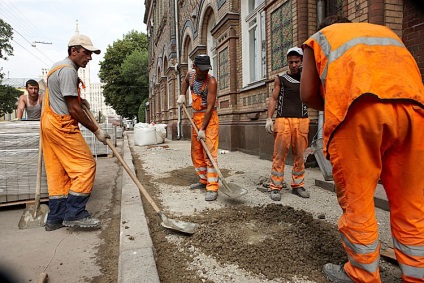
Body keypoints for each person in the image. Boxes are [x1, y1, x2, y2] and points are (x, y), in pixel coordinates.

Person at [301, 15, 424, 283]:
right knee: (411, 202)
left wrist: (334, 103)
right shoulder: (385, 33)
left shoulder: (321, 39)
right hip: (414, 114)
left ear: (326, 27)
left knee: (358, 201)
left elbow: (307, 93)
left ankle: (361, 275)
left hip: (358, 113)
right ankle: (418, 274)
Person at [41, 34, 110, 231]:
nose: (90, 57)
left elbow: (63, 99)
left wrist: (80, 102)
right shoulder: (68, 70)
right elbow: (73, 109)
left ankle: (55, 217)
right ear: (74, 51)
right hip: (62, 126)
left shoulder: (57, 67)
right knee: (86, 166)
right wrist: (97, 130)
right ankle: (75, 214)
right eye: (86, 53)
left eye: (91, 53)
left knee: (59, 172)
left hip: (49, 124)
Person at [265, 47, 310, 201]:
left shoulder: (307, 78)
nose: (294, 65)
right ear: (288, 62)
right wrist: (269, 118)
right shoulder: (281, 78)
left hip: (302, 120)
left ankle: (298, 185)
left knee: (300, 155)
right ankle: (275, 187)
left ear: (301, 61)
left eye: (297, 61)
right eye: (291, 62)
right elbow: (273, 98)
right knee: (279, 155)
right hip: (283, 120)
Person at [177, 54, 219, 201]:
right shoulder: (191, 74)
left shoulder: (211, 82)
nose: (205, 72)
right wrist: (182, 94)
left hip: (209, 118)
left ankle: (212, 187)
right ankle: (203, 180)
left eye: (207, 69)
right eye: (202, 70)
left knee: (210, 153)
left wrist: (203, 129)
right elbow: (185, 82)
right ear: (194, 66)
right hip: (196, 117)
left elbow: (209, 107)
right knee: (196, 152)